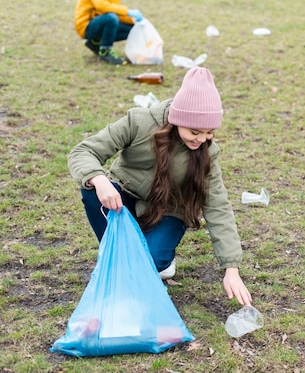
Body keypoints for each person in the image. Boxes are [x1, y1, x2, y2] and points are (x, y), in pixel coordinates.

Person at [68, 67, 253, 306]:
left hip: (168, 211)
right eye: (195, 131)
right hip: (123, 196)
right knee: (92, 189)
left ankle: (157, 260)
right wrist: (99, 179)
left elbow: (218, 208)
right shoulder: (139, 122)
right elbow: (84, 151)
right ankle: (119, 258)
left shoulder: (208, 154)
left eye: (209, 133)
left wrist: (231, 268)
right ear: (176, 120)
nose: (202, 139)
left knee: (149, 261)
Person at [74, 0, 143, 65]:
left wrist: (133, 20)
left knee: (131, 29)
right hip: (86, 25)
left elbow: (115, 10)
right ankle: (105, 51)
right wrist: (128, 11)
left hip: (101, 20)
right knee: (111, 18)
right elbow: (103, 6)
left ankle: (95, 42)